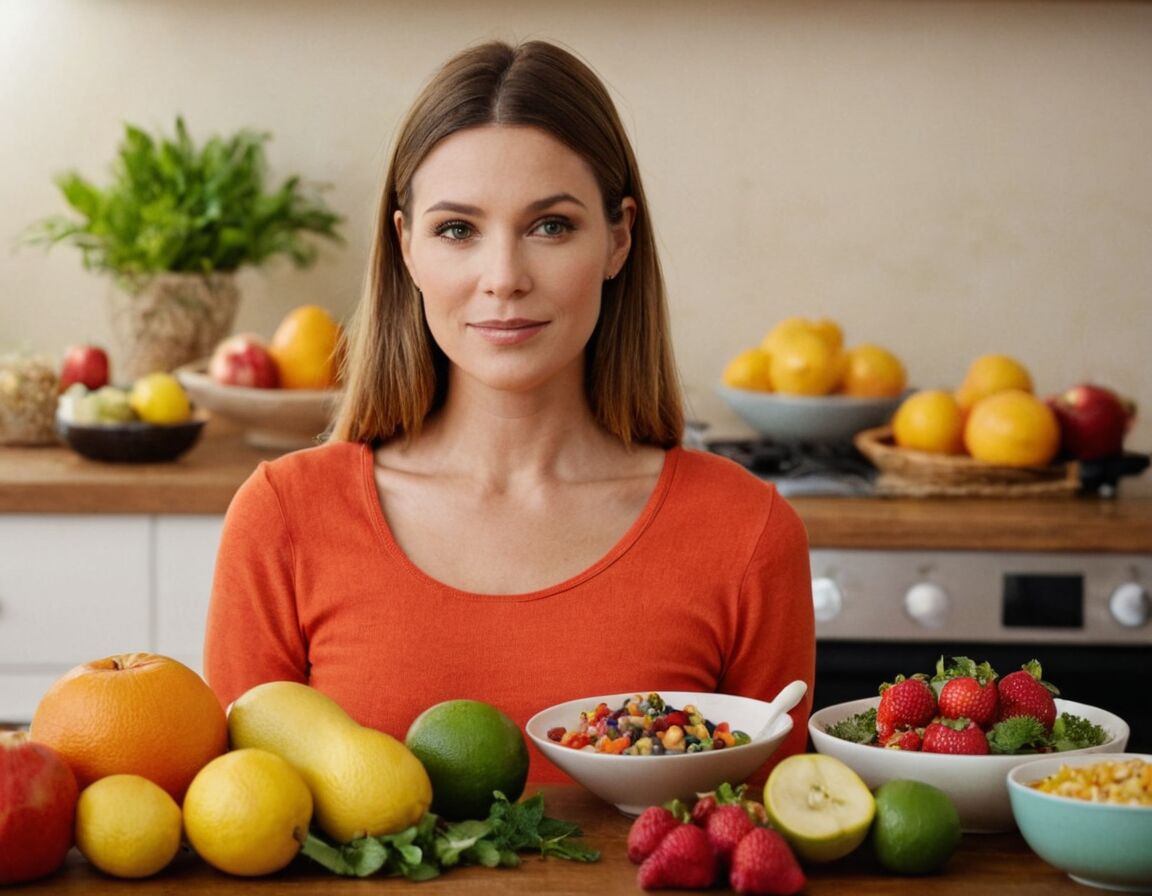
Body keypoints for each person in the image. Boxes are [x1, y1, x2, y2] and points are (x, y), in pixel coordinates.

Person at [204, 39, 814, 782]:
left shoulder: (746, 535)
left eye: (549, 226)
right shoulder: (283, 519)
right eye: (457, 229)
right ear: (406, 247)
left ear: (618, 238)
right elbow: (239, 820)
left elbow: (767, 829)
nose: (503, 278)